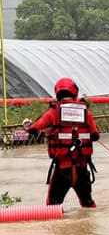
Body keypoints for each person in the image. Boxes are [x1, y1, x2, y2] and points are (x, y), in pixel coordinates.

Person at [23, 77, 99, 207]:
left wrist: (27, 126)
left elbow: (34, 128)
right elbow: (95, 135)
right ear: (75, 93)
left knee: (53, 207)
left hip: (63, 170)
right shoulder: (86, 113)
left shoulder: (53, 112)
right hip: (82, 169)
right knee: (88, 205)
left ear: (57, 93)